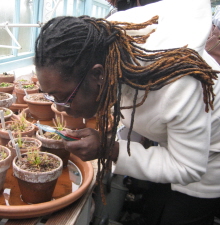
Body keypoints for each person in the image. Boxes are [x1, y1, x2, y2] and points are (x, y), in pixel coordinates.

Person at [34, 0, 220, 224]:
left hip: (210, 156)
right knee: (153, 207)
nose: (60, 106)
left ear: (98, 75)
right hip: (170, 142)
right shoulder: (103, 46)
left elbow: (188, 166)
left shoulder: (178, 86)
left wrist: (109, 149)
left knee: (178, 216)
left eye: (63, 97)